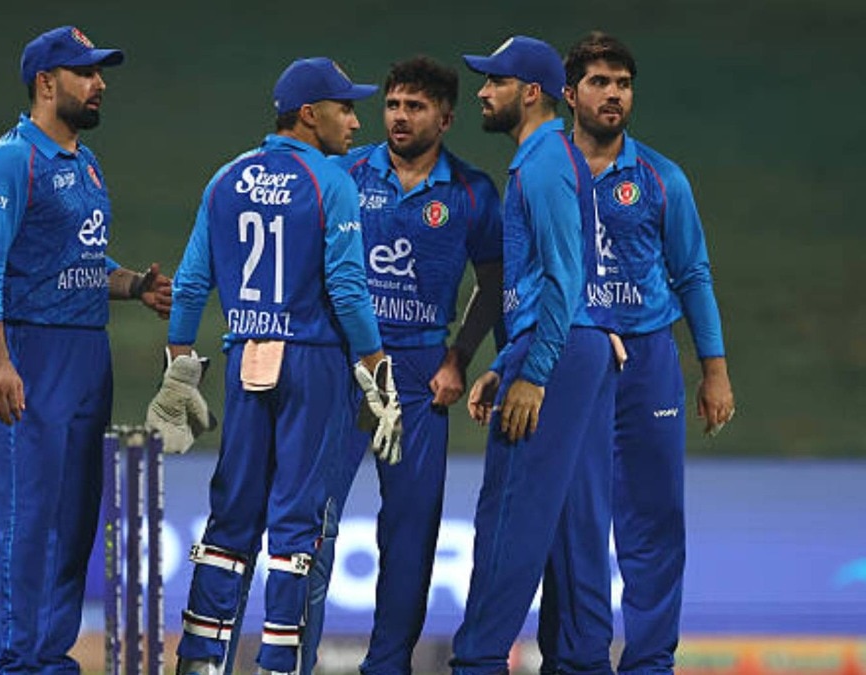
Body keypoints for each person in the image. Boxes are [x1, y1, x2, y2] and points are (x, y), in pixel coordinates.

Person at [146, 57, 401, 675]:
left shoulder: (226, 179)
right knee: (296, 522)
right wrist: (376, 367)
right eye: (345, 107)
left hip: (244, 359)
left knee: (232, 515)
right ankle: (279, 664)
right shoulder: (331, 181)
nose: (355, 120)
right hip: (312, 361)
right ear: (310, 114)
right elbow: (345, 286)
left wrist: (179, 365)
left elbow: (189, 286)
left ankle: (201, 660)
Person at [0, 25, 171, 675]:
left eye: (100, 72)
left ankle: (50, 653)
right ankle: (19, 660)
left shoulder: (84, 161)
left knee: (78, 518)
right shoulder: (10, 160)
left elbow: (78, 259)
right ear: (46, 83)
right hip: (33, 350)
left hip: (88, 353)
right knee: (30, 517)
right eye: (86, 72)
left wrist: (134, 283)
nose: (100, 83)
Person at [537, 32, 736, 675]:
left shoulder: (660, 177)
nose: (614, 94)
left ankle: (651, 662)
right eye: (600, 82)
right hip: (572, 360)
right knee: (573, 522)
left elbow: (693, 273)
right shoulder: (544, 172)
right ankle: (577, 660)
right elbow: (523, 268)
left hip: (648, 364)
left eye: (622, 83)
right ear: (570, 94)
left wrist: (714, 371)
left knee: (653, 520)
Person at [299, 55, 505, 675]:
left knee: (411, 535)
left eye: (414, 107)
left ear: (444, 117)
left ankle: (386, 666)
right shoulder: (343, 173)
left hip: (419, 374)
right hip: (342, 364)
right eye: (392, 105)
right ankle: (293, 657)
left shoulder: (471, 192)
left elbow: (494, 280)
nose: (398, 117)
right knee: (312, 522)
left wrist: (459, 356)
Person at [449, 36, 619, 675]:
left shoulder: (544, 161)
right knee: (575, 525)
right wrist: (504, 361)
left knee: (509, 518)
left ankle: (478, 662)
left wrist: (533, 370)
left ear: (531, 92)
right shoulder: (553, 157)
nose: (483, 94)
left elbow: (563, 277)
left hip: (561, 347)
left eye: (494, 82)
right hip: (575, 344)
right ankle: (581, 664)